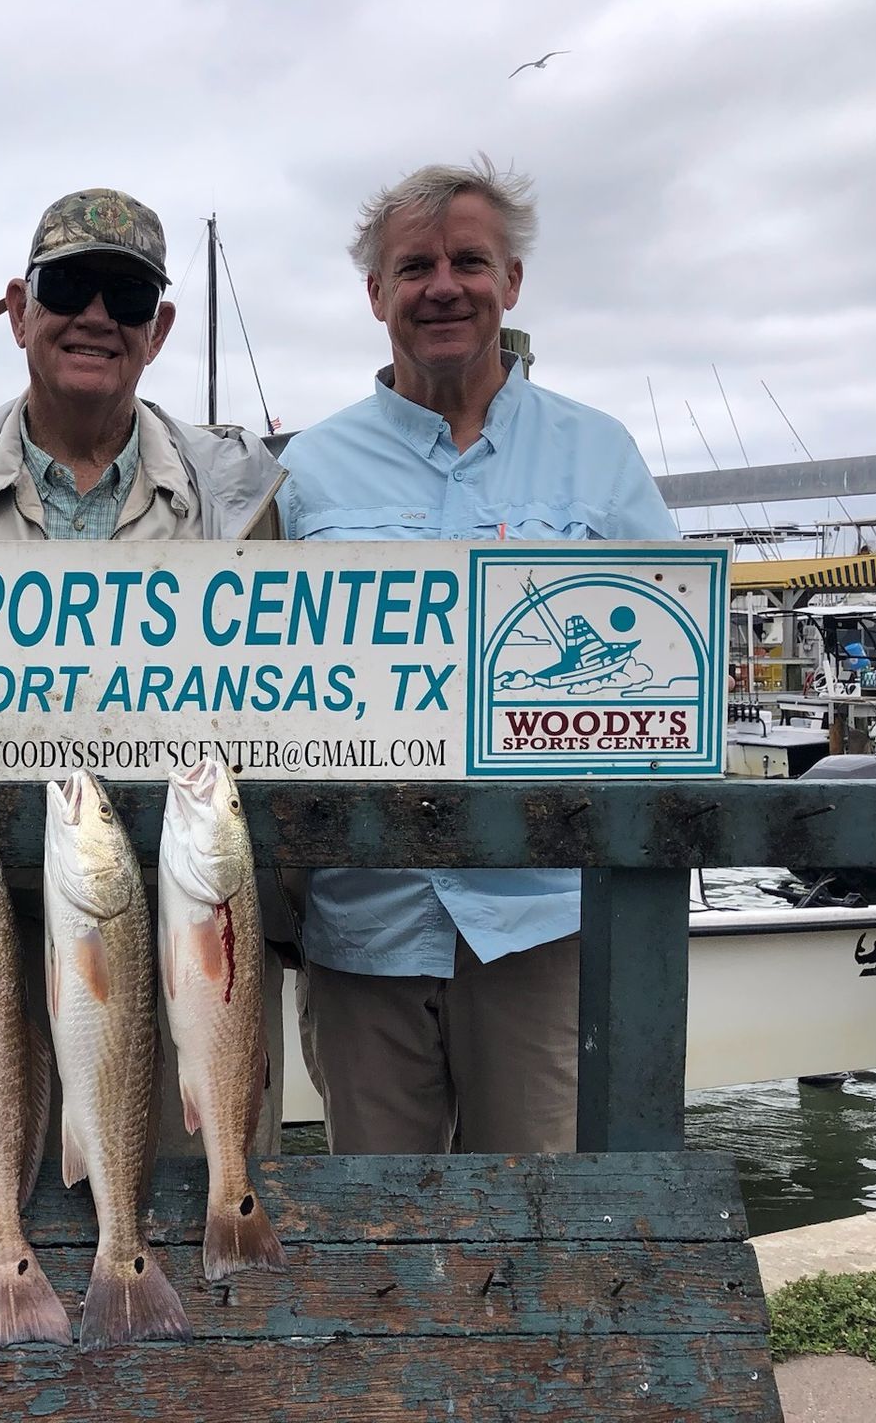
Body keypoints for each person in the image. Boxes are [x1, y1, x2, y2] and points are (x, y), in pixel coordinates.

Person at [277, 156, 678, 1155]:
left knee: (535, 1217)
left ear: (512, 281)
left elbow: (676, 665)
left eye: (470, 261)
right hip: (363, 920)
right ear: (376, 294)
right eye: (415, 267)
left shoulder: (601, 452)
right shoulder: (303, 472)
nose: (443, 286)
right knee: (376, 1233)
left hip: (539, 920)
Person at [0, 188, 294, 1156]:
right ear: (20, 309)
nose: (97, 316)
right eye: (71, 287)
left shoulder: (239, 501)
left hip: (186, 925)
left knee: (204, 1198)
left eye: (126, 293)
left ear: (160, 329)